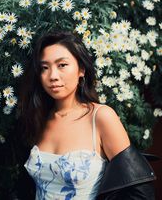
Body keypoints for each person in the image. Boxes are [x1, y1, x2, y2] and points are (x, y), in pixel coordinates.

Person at [20, 31, 156, 199]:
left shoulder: (100, 117)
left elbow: (139, 190)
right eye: (44, 68)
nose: (53, 76)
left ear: (81, 70)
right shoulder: (38, 117)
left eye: (62, 65)